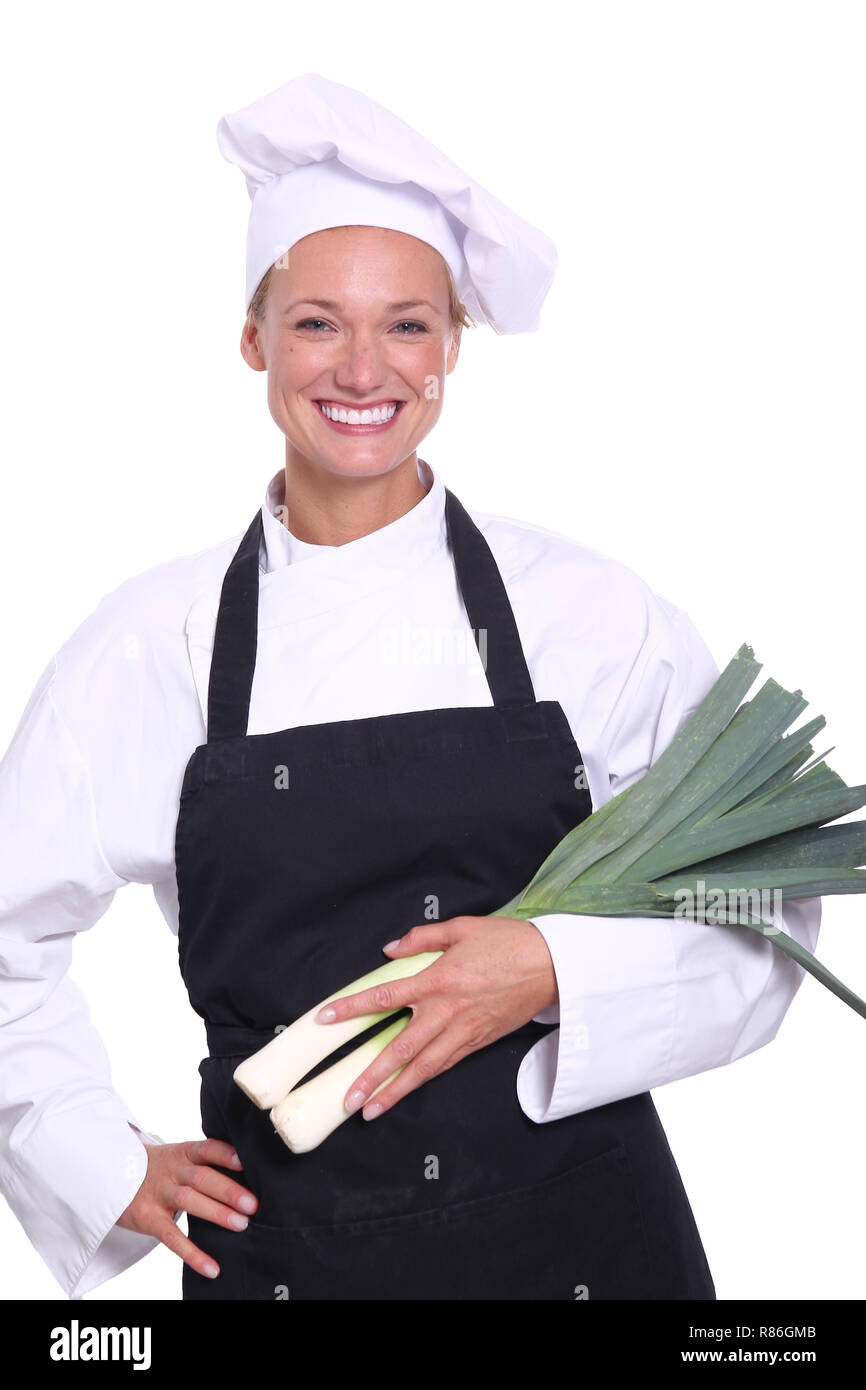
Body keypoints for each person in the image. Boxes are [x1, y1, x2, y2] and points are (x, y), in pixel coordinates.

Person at [0, 73, 820, 1301]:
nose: (361, 367)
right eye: (317, 322)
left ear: (452, 347)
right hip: (291, 1257)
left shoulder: (586, 611)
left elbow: (763, 903)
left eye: (407, 323)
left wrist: (548, 967)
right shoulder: (150, 643)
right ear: (253, 342)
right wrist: (95, 1160)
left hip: (586, 1247)